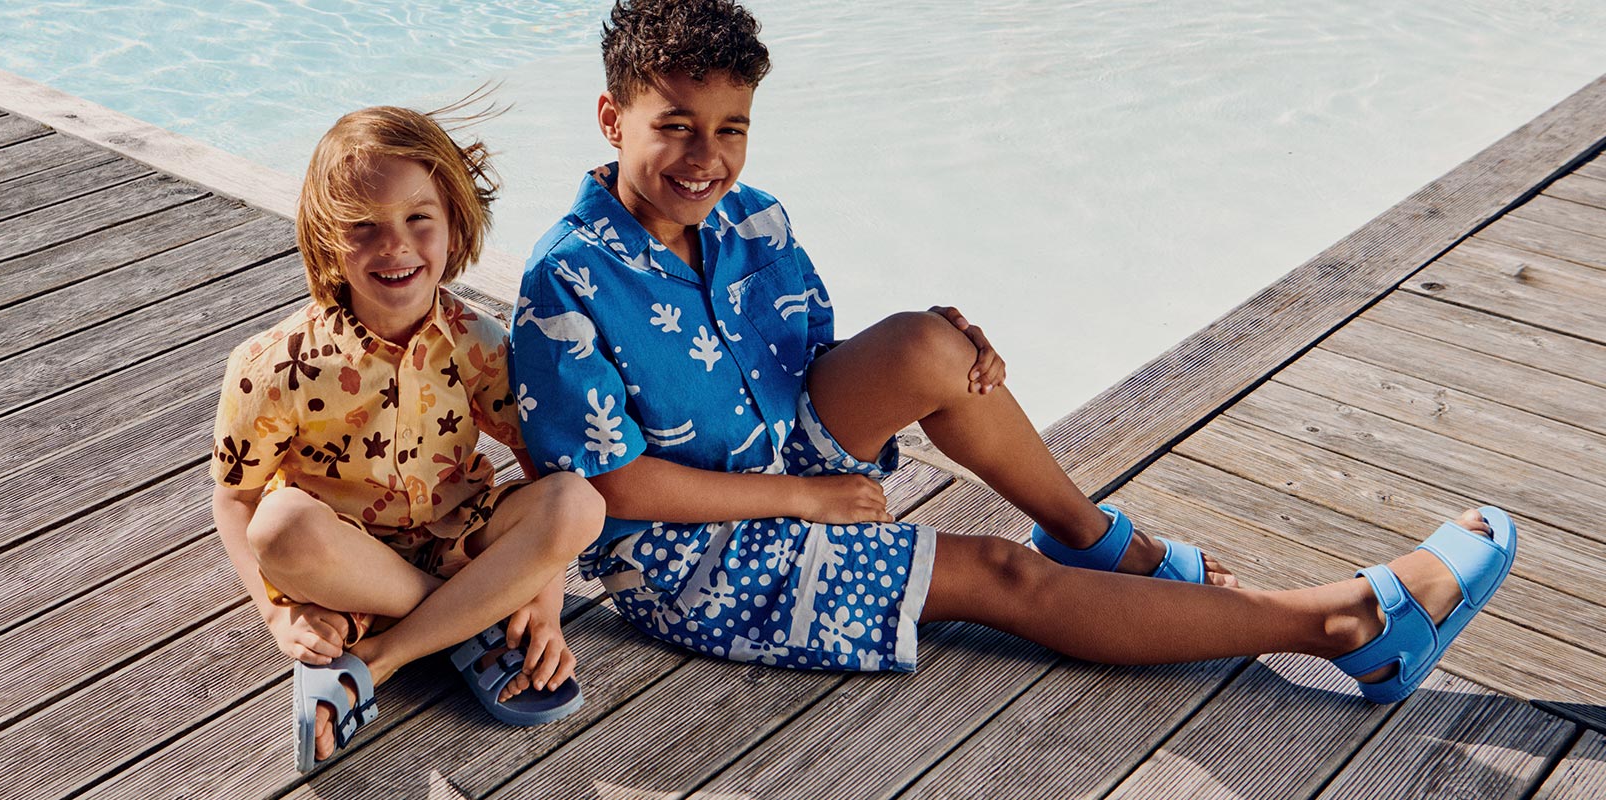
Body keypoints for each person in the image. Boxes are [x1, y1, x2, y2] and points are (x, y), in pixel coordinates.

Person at [511, 0, 1514, 703]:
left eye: (731, 129)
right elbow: (611, 487)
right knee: (999, 574)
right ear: (612, 119)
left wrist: (935, 347)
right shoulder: (568, 280)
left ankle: (1091, 534)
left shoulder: (754, 218)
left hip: (782, 465)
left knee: (927, 343)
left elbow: (809, 364)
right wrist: (805, 501)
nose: (707, 158)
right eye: (675, 127)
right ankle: (1346, 627)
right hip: (692, 557)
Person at [210, 106, 605, 771]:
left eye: (418, 217)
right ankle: (470, 619)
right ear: (326, 238)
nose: (394, 246)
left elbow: (537, 462)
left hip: (457, 541)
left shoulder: (478, 343)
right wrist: (279, 616)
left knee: (577, 503)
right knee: (279, 527)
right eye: (362, 226)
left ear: (454, 222)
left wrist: (543, 598)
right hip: (348, 563)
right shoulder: (273, 365)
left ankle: (379, 656)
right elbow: (236, 499)